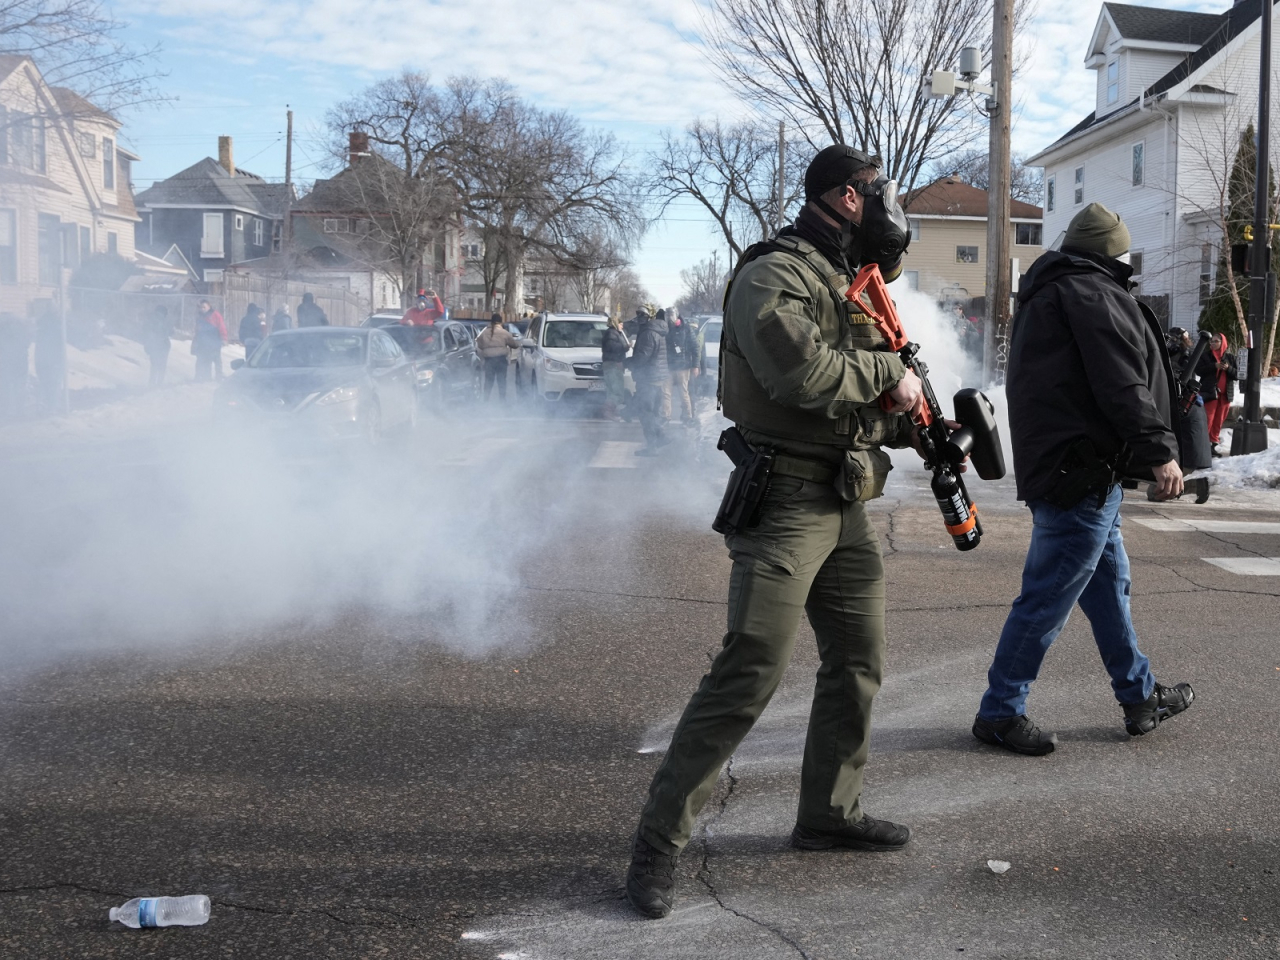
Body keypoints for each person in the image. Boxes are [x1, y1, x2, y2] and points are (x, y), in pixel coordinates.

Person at [626, 144, 925, 919]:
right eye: (876, 192)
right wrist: (889, 378)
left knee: (857, 661)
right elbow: (802, 376)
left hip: (846, 498)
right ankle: (658, 842)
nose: (887, 206)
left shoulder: (846, 278)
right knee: (750, 668)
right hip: (787, 500)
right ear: (847, 197)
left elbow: (864, 392)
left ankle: (829, 813)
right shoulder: (774, 273)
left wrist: (912, 419)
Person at [972, 202, 1195, 759]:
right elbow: (1122, 384)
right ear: (1112, 253)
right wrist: (1161, 452)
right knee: (1046, 599)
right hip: (1081, 474)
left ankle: (1139, 696)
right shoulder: (1090, 293)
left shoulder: (1053, 289)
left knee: (1109, 590)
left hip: (1074, 470)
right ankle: (999, 711)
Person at [626, 307, 669, 456]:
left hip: (648, 379)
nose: (639, 318)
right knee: (652, 412)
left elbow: (641, 358)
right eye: (638, 314)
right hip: (656, 378)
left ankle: (653, 446)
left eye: (642, 315)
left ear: (650, 317)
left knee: (646, 414)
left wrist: (626, 363)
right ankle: (661, 438)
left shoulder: (648, 333)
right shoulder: (657, 330)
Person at [1196, 332, 1237, 453]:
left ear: (1222, 342)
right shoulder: (1206, 356)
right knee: (1208, 418)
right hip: (1210, 393)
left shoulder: (1230, 358)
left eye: (1216, 341)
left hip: (1225, 395)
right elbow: (1198, 370)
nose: (1213, 343)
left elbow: (1237, 375)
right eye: (1211, 341)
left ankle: (1213, 444)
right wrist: (1214, 366)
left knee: (1219, 420)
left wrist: (1228, 368)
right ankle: (1203, 444)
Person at [475, 313, 521, 402]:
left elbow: (479, 344)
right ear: (500, 322)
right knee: (501, 381)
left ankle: (485, 400)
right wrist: (518, 344)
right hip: (501, 360)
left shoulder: (484, 333)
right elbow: (514, 345)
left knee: (488, 381)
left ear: (491, 322)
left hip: (489, 361)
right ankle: (502, 401)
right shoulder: (504, 333)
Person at [666, 310, 699, 427]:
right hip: (668, 366)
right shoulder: (666, 328)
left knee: (683, 392)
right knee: (666, 393)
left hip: (683, 366)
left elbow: (695, 347)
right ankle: (665, 417)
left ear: (676, 315)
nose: (669, 317)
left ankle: (687, 416)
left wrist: (695, 365)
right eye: (668, 315)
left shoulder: (686, 328)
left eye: (671, 315)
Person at [33, 305, 66, 412]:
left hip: (41, 360)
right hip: (54, 360)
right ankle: (53, 407)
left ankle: (46, 406)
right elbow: (60, 345)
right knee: (54, 384)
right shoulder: (59, 328)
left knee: (45, 383)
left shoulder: (40, 328)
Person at [601, 315, 631, 421]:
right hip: (613, 365)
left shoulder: (613, 333)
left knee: (612, 391)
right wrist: (626, 347)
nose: (622, 325)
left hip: (611, 365)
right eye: (620, 323)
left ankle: (611, 413)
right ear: (615, 323)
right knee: (617, 392)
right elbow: (612, 347)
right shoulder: (611, 334)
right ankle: (607, 411)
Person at [0, 312, 29, 419]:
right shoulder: (21, 330)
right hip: (18, 363)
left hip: (7, 364)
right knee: (18, 387)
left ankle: (4, 411)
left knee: (5, 388)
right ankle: (19, 411)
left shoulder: (3, 332)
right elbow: (26, 344)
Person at [192, 299, 227, 381]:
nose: (202, 309)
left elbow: (221, 327)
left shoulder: (216, 315)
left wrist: (224, 338)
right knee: (206, 360)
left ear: (209, 306)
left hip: (215, 341)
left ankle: (219, 376)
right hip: (203, 342)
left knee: (217, 360)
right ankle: (207, 377)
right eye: (201, 307)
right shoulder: (200, 317)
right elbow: (197, 330)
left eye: (204, 307)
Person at [144, 305, 172, 388]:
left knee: (154, 365)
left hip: (155, 344)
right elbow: (170, 332)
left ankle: (152, 382)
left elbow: (147, 333)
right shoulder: (164, 321)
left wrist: (147, 345)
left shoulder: (151, 320)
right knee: (162, 365)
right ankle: (159, 383)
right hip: (163, 344)